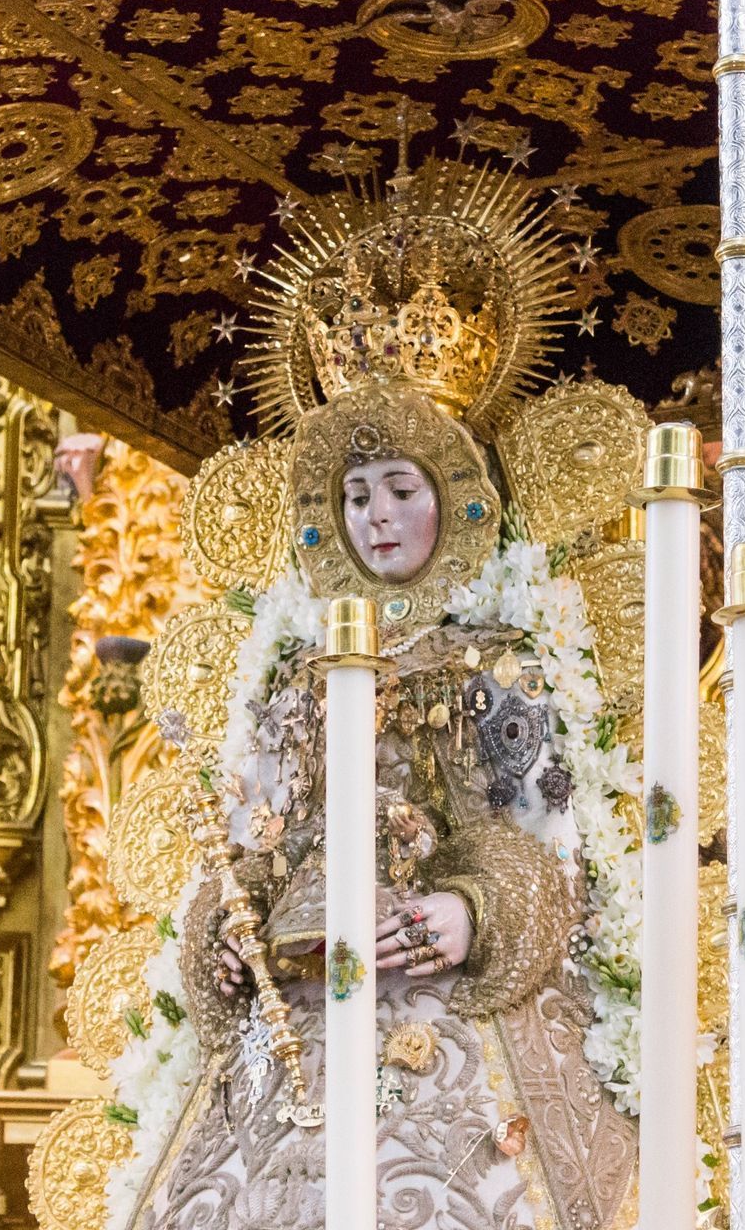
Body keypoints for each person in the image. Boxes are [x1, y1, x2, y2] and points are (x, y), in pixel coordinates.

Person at [125, 386, 639, 1229]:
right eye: (357, 496)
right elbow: (257, 836)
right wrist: (229, 925)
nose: (377, 517)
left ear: (453, 493)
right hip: (293, 1004)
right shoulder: (297, 676)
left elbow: (555, 848)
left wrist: (471, 909)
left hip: (442, 992)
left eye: (402, 489)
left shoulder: (497, 660)